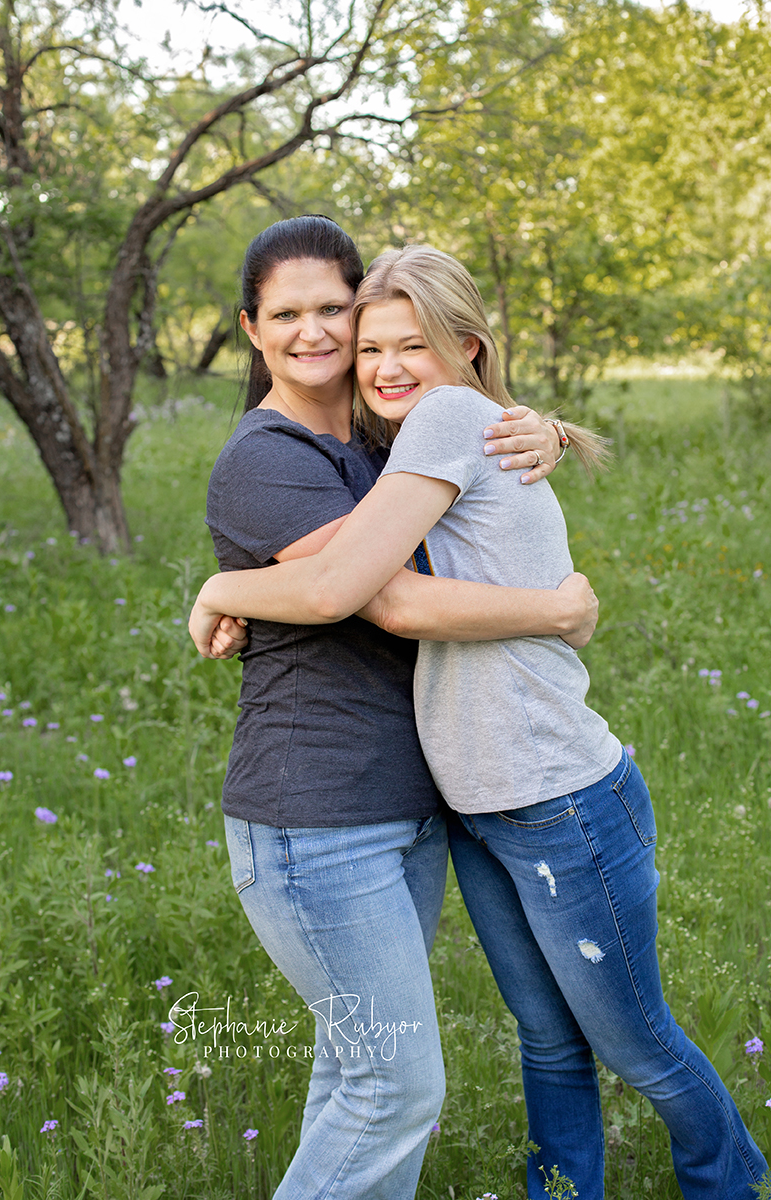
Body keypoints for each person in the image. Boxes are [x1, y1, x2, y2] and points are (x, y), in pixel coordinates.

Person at [190, 243, 768, 1199]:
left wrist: (222, 583)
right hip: (431, 803)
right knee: (480, 1057)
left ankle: (728, 1180)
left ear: (459, 346)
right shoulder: (336, 445)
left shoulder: (423, 424)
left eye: (384, 333)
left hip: (546, 792)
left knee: (619, 1045)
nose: (362, 355)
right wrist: (554, 582)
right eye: (361, 339)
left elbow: (376, 585)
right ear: (250, 331)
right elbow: (380, 589)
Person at [198, 216, 600, 1200]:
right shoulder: (266, 458)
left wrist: (533, 427)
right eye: (286, 314)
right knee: (394, 1086)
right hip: (316, 817)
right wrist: (555, 607)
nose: (316, 332)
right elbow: (382, 596)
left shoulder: (383, 437)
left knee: (355, 1076)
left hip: (404, 808)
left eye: (334, 308)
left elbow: (459, 435)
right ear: (252, 331)